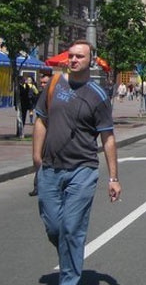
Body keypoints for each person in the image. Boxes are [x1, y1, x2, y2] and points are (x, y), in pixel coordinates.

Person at [33, 39, 121, 285]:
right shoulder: (53, 85)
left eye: (79, 57)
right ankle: (68, 254)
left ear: (90, 61)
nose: (73, 60)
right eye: (71, 56)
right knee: (54, 227)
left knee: (72, 228)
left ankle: (69, 279)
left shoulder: (98, 96)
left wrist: (113, 178)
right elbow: (41, 120)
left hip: (82, 170)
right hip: (49, 168)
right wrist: (36, 158)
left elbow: (108, 137)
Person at [28, 73, 51, 197]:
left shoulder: (54, 96)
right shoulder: (40, 94)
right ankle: (37, 186)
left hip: (51, 133)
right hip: (41, 131)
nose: (43, 85)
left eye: (45, 83)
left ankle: (45, 185)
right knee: (38, 158)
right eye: (41, 82)